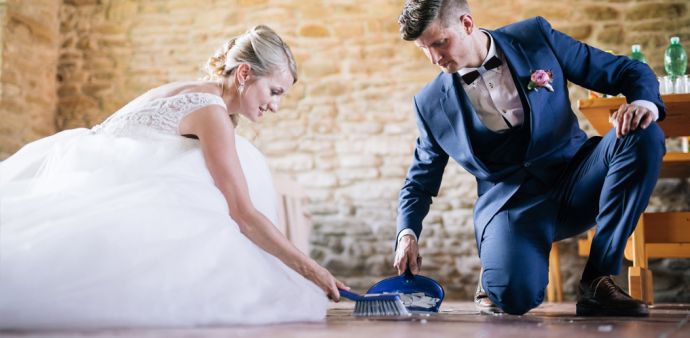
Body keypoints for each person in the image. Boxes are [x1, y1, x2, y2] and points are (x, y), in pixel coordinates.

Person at [0, 25, 346, 329]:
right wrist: (310, 269)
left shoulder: (194, 92)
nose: (276, 106)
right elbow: (242, 213)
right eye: (274, 91)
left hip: (82, 171)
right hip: (110, 191)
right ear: (243, 74)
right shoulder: (210, 112)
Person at [392, 0, 665, 317]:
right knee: (515, 297)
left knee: (645, 133)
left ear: (467, 23)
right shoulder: (429, 105)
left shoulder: (535, 37)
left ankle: (597, 280)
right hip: (513, 204)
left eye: (440, 42)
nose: (435, 58)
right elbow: (419, 182)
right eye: (425, 49)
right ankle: (497, 272)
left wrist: (644, 103)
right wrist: (406, 234)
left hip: (579, 179)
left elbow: (624, 70)